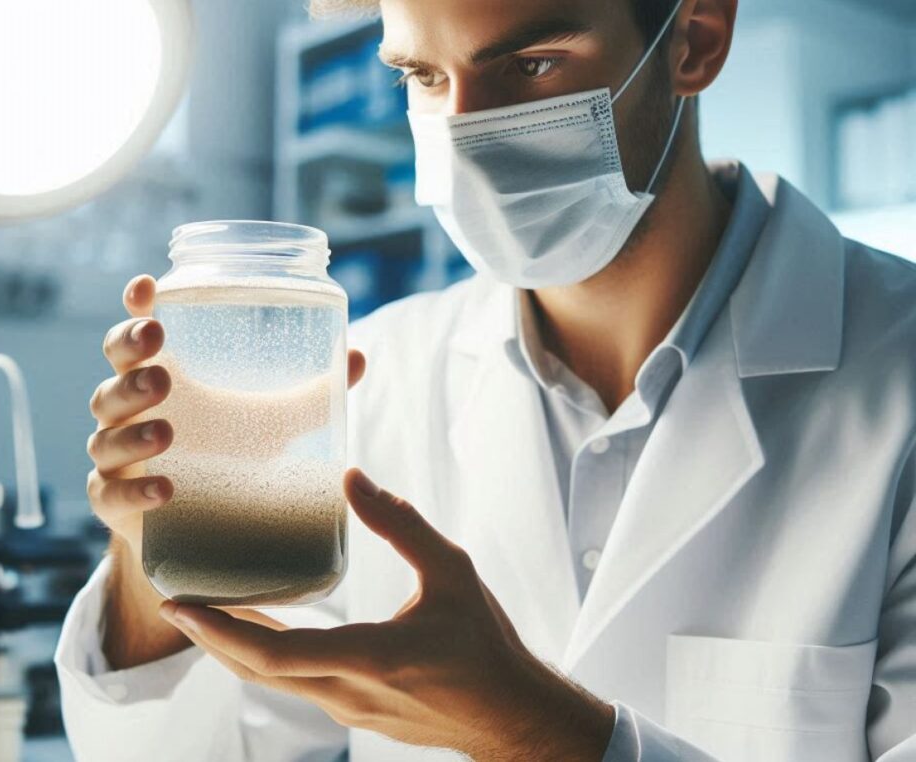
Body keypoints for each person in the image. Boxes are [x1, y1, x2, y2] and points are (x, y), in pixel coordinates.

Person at [55, 0, 916, 759]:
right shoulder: (372, 379)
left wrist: (530, 731)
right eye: (424, 76)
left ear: (693, 38)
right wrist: (147, 553)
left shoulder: (898, 370)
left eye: (532, 65)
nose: (466, 135)